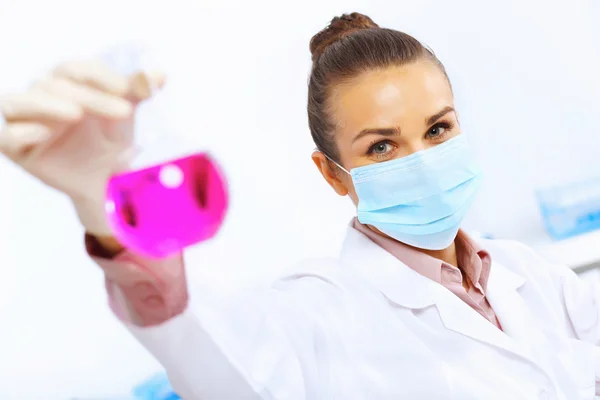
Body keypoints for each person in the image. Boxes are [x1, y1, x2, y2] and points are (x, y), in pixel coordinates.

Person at [1, 12, 599, 400]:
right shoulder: (318, 312)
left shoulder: (533, 274)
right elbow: (224, 371)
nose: (421, 158)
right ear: (333, 175)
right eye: (383, 145)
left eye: (438, 130)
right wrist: (104, 207)